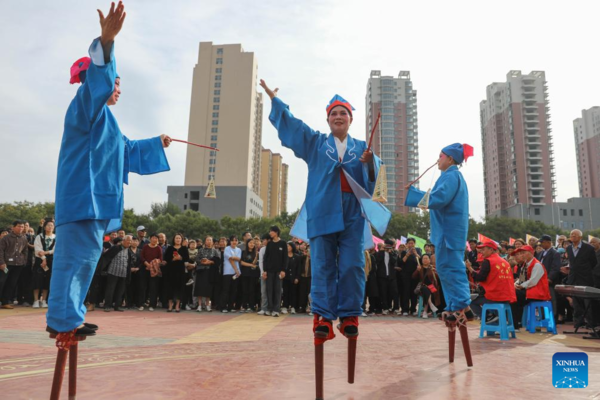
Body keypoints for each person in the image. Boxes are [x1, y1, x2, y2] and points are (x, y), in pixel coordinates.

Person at [47, 2, 171, 336]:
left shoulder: (108, 122)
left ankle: (70, 316)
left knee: (84, 262)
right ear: (93, 81)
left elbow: (126, 151)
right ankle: (62, 320)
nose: (117, 87)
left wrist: (156, 143)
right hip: (80, 198)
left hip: (96, 202)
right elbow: (97, 85)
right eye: (114, 81)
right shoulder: (85, 106)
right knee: (72, 262)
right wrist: (106, 42)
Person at [261, 80, 391, 341]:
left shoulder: (363, 149)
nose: (338, 117)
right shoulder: (316, 143)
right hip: (322, 211)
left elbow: (378, 183)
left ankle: (350, 315)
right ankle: (322, 316)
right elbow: (294, 127)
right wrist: (276, 102)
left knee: (352, 265)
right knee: (322, 265)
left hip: (353, 214)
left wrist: (369, 164)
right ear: (328, 119)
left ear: (350, 119)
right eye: (334, 113)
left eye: (343, 113)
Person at [405, 143, 475, 325]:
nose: (438, 159)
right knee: (446, 268)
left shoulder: (451, 176)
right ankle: (460, 307)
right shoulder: (450, 176)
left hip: (448, 232)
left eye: (441, 156)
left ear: (450, 159)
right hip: (449, 232)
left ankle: (460, 306)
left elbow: (439, 198)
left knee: (451, 268)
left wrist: (413, 194)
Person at [467, 241, 516, 321]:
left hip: (495, 296)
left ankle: (488, 317)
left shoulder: (488, 261)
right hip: (508, 296)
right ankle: (495, 320)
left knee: (470, 301)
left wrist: (470, 268)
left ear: (491, 250)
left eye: (483, 249)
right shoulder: (505, 262)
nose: (481, 252)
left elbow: (480, 278)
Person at [565, 229, 598, 329]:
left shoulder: (588, 248)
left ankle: (591, 323)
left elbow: (593, 262)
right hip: (573, 277)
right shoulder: (569, 248)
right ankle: (578, 322)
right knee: (576, 301)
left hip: (586, 277)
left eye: (575, 235)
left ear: (580, 237)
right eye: (571, 235)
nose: (573, 236)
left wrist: (584, 270)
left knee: (587, 301)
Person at [0, 221, 29, 309]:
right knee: (2, 282)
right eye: (19, 226)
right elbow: (0, 251)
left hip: (18, 265)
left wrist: (24, 261)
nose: (21, 228)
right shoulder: (6, 238)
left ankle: (5, 302)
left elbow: (25, 251)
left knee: (12, 283)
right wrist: (1, 263)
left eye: (22, 227)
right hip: (6, 265)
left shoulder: (24, 238)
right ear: (13, 227)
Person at [101, 236, 134, 312]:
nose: (129, 242)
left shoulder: (128, 250)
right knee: (110, 289)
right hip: (113, 272)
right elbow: (106, 257)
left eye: (130, 241)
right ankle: (107, 305)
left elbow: (128, 263)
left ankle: (117, 306)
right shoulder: (115, 248)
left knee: (120, 290)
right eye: (128, 241)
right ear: (123, 240)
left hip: (123, 273)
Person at [263, 226, 288, 318]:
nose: (270, 233)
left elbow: (285, 258)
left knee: (277, 290)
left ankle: (276, 310)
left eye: (271, 231)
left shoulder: (283, 243)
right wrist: (265, 271)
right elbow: (266, 258)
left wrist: (283, 270)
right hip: (269, 271)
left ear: (276, 232)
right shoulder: (269, 244)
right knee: (269, 290)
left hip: (279, 272)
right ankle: (269, 309)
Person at [32, 220, 56, 308]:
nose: (50, 227)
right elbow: (37, 249)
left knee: (47, 281)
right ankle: (36, 300)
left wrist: (46, 253)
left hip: (51, 261)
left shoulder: (56, 237)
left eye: (52, 225)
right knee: (37, 280)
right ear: (44, 227)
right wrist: (43, 259)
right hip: (39, 261)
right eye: (48, 225)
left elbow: (55, 250)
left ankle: (44, 300)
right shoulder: (39, 236)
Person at [163, 234, 189, 312]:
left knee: (180, 288)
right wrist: (173, 259)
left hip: (180, 271)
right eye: (176, 238)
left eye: (179, 238)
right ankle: (170, 305)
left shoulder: (184, 248)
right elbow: (166, 258)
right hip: (170, 270)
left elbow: (187, 259)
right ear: (174, 239)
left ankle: (177, 305)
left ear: (182, 240)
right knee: (170, 287)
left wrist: (180, 258)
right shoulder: (170, 248)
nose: (178, 239)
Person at [538, 235, 562, 320]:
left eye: (542, 242)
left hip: (549, 281)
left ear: (548, 242)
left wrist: (549, 278)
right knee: (542, 299)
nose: (541, 244)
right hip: (540, 280)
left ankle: (553, 317)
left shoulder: (555, 253)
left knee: (551, 299)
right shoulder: (541, 253)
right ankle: (543, 317)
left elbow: (555, 267)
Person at [195, 236, 220, 312]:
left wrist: (210, 262)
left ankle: (207, 305)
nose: (209, 241)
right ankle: (199, 305)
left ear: (212, 242)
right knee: (199, 288)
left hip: (210, 271)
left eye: (210, 240)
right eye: (207, 240)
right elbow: (197, 259)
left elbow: (218, 261)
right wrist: (202, 261)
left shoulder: (215, 251)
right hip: (201, 271)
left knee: (208, 289)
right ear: (205, 242)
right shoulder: (201, 250)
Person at [413, 254, 441, 318]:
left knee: (427, 290)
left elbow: (438, 278)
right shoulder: (420, 267)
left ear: (429, 260)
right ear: (422, 260)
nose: (425, 260)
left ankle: (425, 311)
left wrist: (435, 272)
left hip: (432, 287)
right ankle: (430, 306)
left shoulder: (432, 267)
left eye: (426, 258)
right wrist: (417, 270)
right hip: (422, 287)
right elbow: (413, 277)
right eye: (423, 259)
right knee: (425, 289)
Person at [375, 239, 398, 315]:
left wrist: (390, 253)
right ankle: (385, 308)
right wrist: (382, 251)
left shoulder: (394, 253)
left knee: (394, 292)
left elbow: (394, 261)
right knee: (383, 292)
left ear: (392, 246)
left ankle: (396, 308)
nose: (388, 247)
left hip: (392, 276)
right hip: (382, 276)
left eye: (389, 246)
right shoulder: (380, 253)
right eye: (386, 245)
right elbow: (378, 261)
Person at [141, 233, 163, 311]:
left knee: (153, 287)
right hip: (145, 269)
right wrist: (146, 263)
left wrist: (153, 264)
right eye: (153, 238)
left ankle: (152, 305)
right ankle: (141, 304)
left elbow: (160, 258)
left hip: (154, 270)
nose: (154, 239)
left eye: (156, 238)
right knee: (143, 287)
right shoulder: (145, 247)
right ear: (150, 238)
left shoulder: (159, 248)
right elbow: (142, 256)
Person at [399, 238, 421, 316]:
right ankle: (405, 309)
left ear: (414, 244)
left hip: (414, 275)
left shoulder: (418, 251)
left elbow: (421, 260)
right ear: (407, 244)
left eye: (412, 243)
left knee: (414, 293)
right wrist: (407, 254)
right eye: (409, 243)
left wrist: (415, 254)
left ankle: (413, 309)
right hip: (405, 275)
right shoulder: (404, 252)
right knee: (406, 292)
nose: (411, 245)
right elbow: (402, 262)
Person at [220, 236, 241, 313]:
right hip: (228, 272)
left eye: (236, 240)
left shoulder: (239, 249)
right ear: (230, 242)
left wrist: (234, 258)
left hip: (236, 273)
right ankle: (223, 307)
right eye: (233, 240)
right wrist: (235, 269)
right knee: (226, 290)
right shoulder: (227, 248)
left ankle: (230, 306)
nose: (234, 242)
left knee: (233, 290)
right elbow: (230, 259)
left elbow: (239, 259)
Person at [240, 238, 259, 312]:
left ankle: (251, 306)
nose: (252, 244)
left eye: (253, 243)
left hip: (253, 274)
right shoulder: (243, 252)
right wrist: (250, 265)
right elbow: (242, 262)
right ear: (247, 244)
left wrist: (256, 256)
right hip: (245, 273)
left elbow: (254, 264)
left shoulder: (255, 253)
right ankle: (244, 305)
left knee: (252, 290)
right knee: (245, 290)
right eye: (250, 243)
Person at [282, 241, 300, 314]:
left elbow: (298, 268)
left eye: (289, 246)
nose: (287, 247)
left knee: (293, 292)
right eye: (286, 246)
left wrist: (297, 277)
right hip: (285, 277)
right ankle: (285, 306)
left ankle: (293, 307)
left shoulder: (297, 257)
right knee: (285, 292)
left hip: (293, 277)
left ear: (292, 247)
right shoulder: (283, 256)